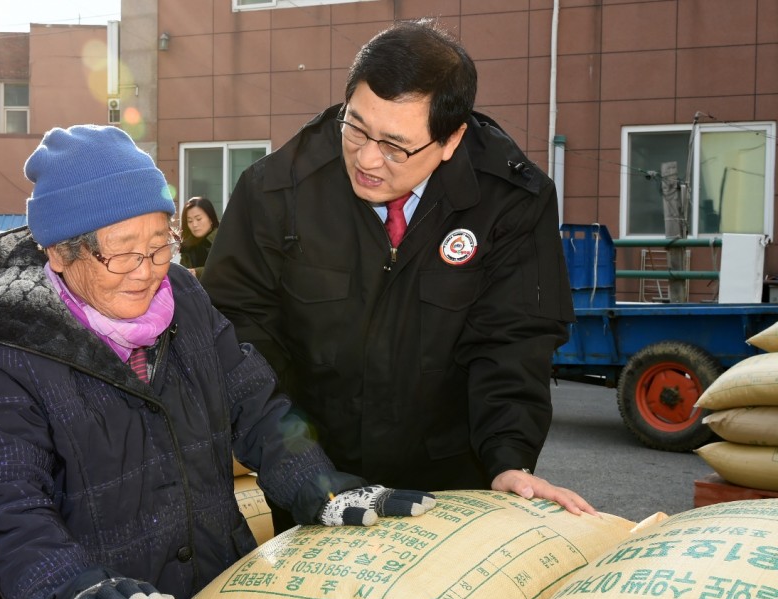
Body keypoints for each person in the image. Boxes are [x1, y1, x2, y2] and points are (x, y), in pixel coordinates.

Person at [0, 124, 436, 599]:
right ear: (60, 254)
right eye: (123, 253)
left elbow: (255, 404)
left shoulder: (184, 299)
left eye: (160, 245)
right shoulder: (6, 349)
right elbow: (2, 500)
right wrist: (69, 588)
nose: (146, 272)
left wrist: (317, 483)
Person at [201, 18, 595, 531]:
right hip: (318, 475)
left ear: (451, 139)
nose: (366, 158)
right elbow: (240, 338)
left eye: (394, 145)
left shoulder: (510, 201)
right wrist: (297, 464)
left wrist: (508, 459)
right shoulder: (276, 190)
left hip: (450, 484)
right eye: (356, 127)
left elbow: (512, 343)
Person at [178, 195, 219, 278]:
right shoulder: (187, 247)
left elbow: (226, 269)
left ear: (210, 219)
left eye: (199, 219)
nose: (194, 225)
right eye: (190, 221)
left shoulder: (222, 240)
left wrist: (197, 272)